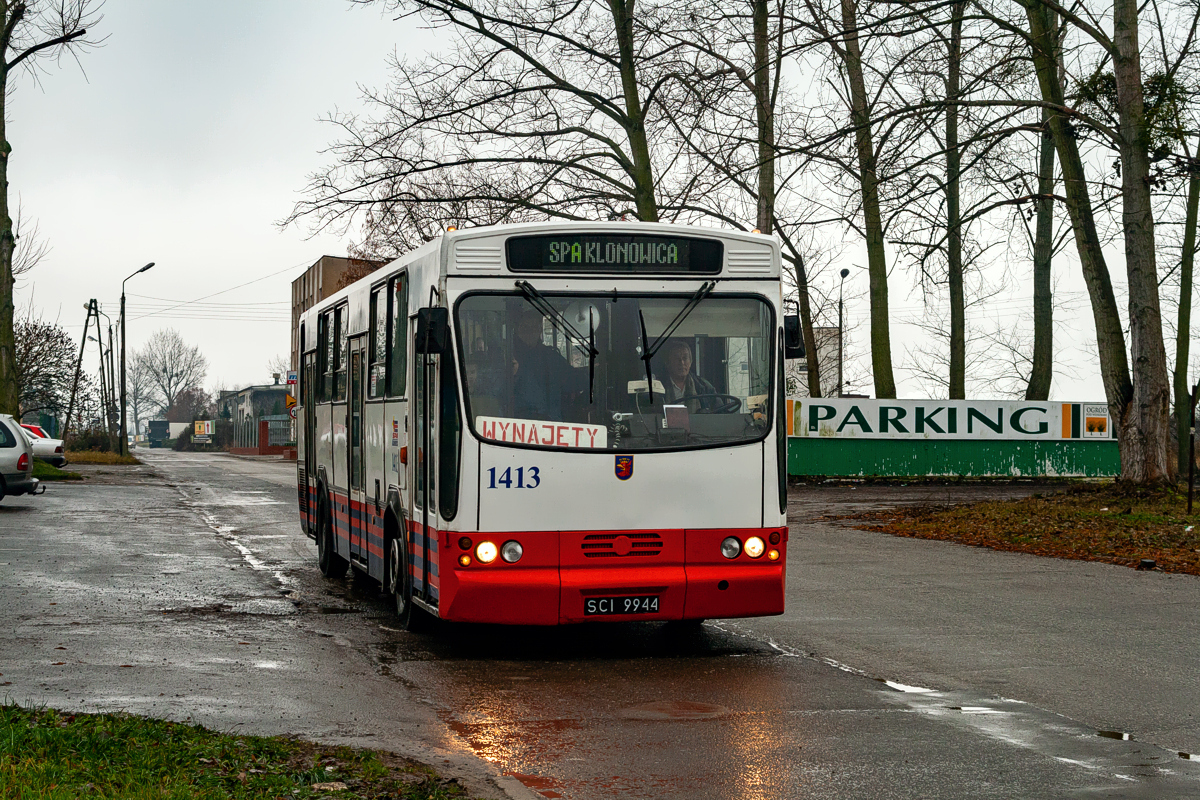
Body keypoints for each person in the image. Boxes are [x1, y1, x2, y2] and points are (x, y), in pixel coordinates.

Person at [511, 309, 585, 420]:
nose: (529, 331)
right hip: (518, 423)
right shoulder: (508, 357)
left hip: (552, 423)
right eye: (524, 327)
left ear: (540, 330)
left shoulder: (551, 356)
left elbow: (572, 380)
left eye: (534, 327)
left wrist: (592, 374)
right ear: (517, 330)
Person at [661, 339, 719, 413]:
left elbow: (721, 413)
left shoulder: (704, 387)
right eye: (677, 358)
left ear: (690, 362)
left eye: (685, 358)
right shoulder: (657, 387)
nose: (682, 362)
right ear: (668, 363)